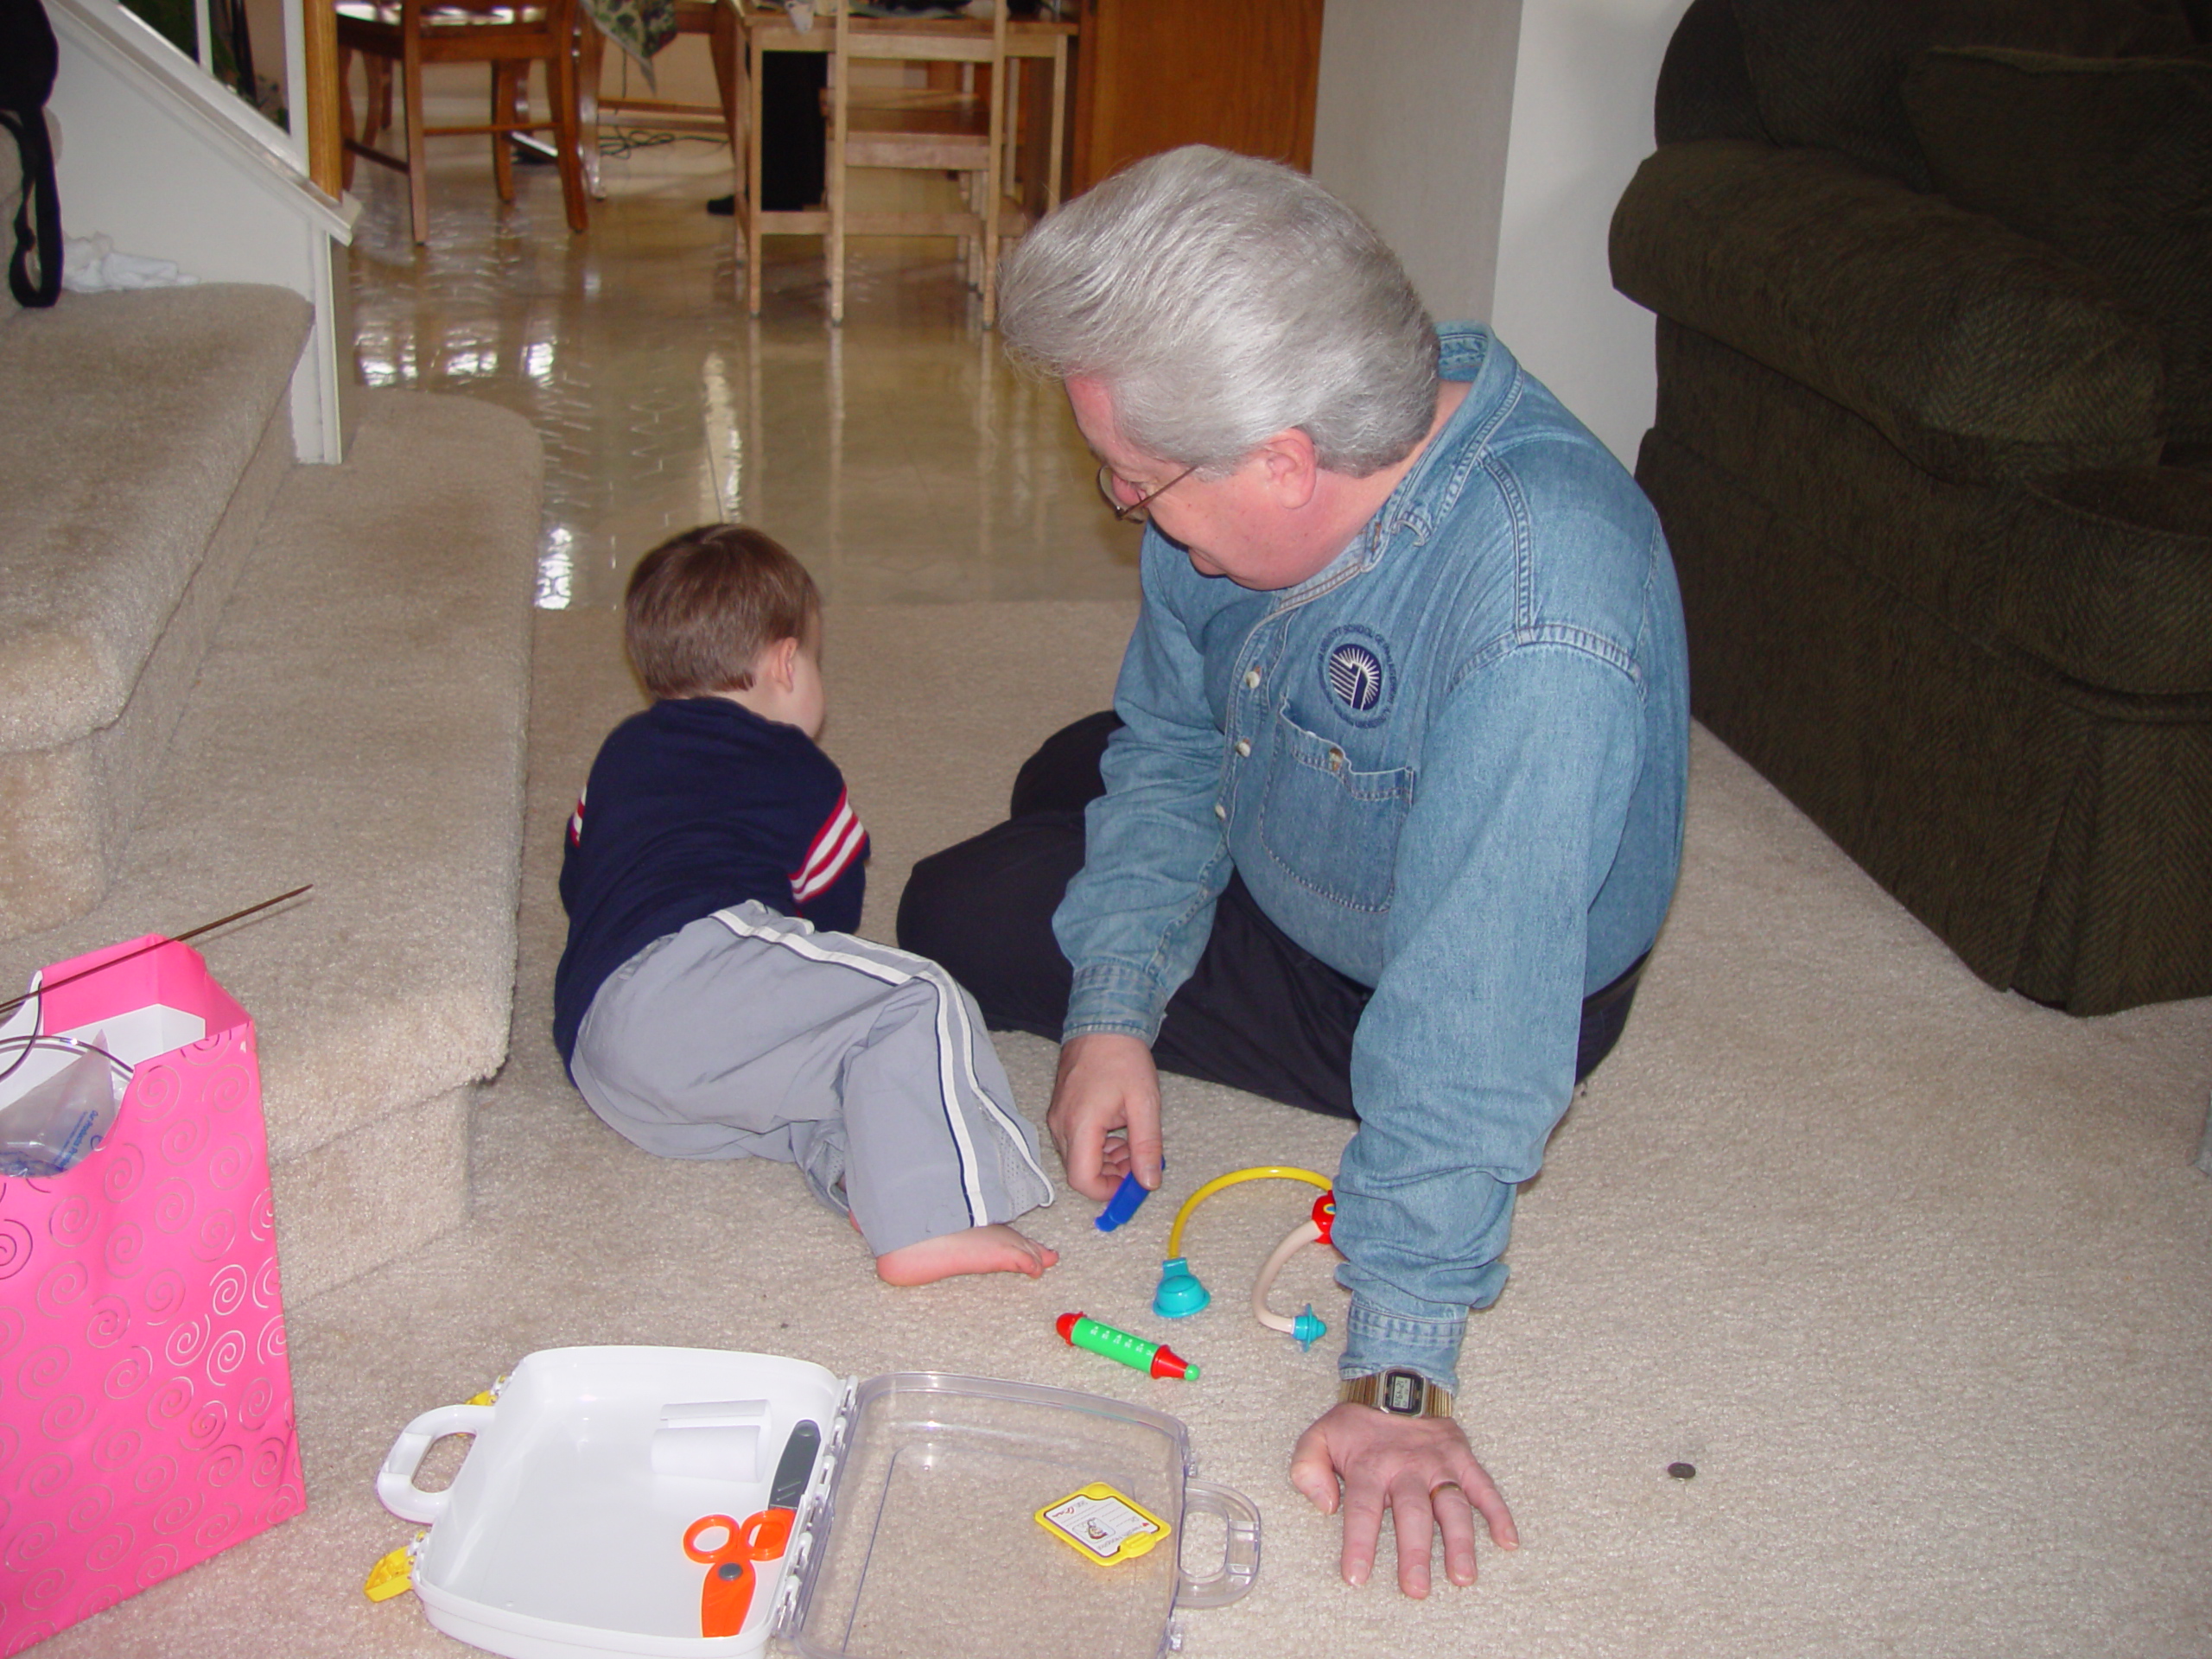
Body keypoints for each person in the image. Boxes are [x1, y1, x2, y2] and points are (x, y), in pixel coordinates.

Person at [897, 148, 1690, 1593]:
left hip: (1434, 967)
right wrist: (1115, 1011)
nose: (1120, 507)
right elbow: (1170, 735)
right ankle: (1143, 934)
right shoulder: (1318, 437)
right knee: (1067, 778)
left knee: (957, 909)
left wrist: (1401, 1378)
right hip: (1328, 793)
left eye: (1133, 481)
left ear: (1280, 457)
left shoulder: (1537, 628)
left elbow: (1475, 1014)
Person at [554, 524, 1058, 1287]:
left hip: (602, 1054)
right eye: (816, 662)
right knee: (917, 999)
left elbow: (577, 874)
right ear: (787, 663)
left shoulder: (621, 750)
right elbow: (827, 913)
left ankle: (867, 1182)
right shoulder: (797, 767)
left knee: (805, 1092)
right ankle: (932, 1219)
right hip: (691, 973)